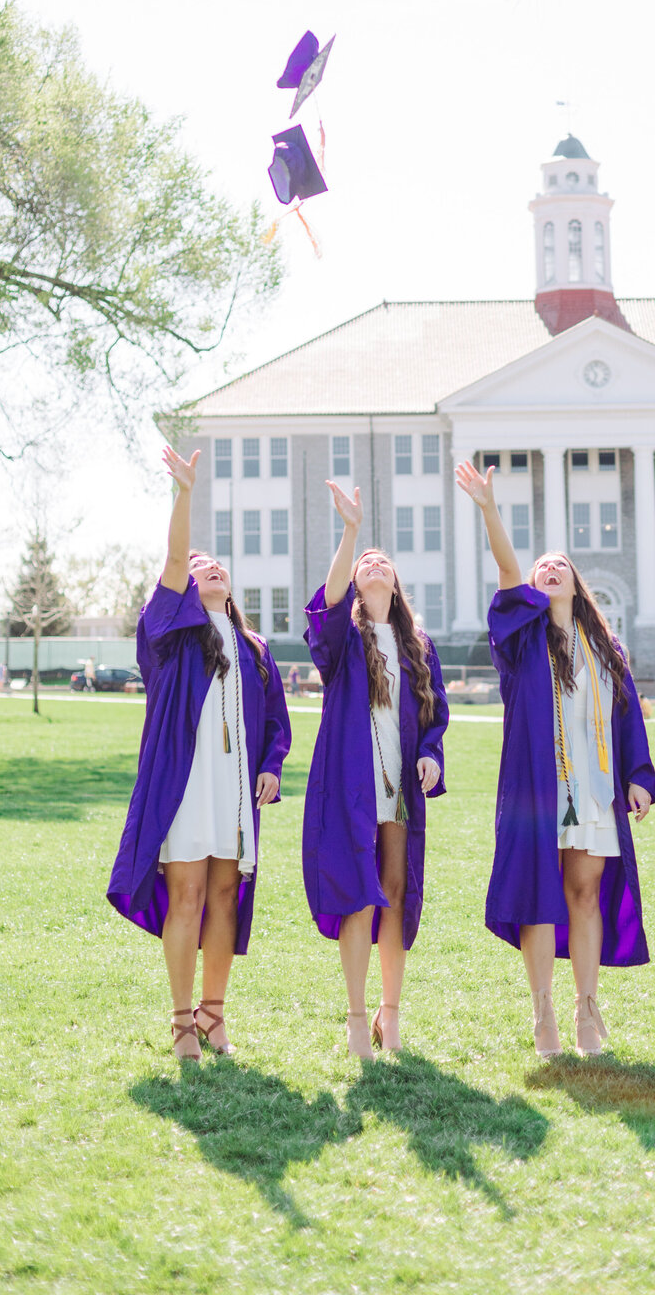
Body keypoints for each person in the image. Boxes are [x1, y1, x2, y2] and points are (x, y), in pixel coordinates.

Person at [456, 459, 655, 1057]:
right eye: (542, 568)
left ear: (576, 583)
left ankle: (586, 1005)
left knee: (586, 893)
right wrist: (490, 508)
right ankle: (543, 1009)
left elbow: (625, 718)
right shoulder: (522, 640)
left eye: (559, 566)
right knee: (541, 894)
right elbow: (507, 569)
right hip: (539, 790)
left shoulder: (605, 647)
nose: (549, 570)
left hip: (594, 789)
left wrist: (639, 777)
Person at [107, 444, 292, 1061]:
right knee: (185, 894)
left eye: (217, 564)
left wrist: (269, 767)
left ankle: (215, 1015)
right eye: (197, 565)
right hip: (186, 784)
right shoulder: (171, 631)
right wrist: (184, 493)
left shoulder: (254, 647)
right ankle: (182, 1020)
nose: (208, 568)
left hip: (235, 789)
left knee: (223, 897)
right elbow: (172, 559)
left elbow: (275, 723)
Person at [303, 481, 449, 1060]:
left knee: (395, 889)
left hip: (401, 792)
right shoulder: (345, 639)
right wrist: (350, 532)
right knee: (359, 895)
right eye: (367, 563)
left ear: (397, 582)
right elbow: (329, 602)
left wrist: (431, 755)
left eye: (381, 562)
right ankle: (358, 1017)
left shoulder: (417, 644)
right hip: (351, 786)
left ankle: (392, 1012)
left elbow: (435, 713)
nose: (374, 565)